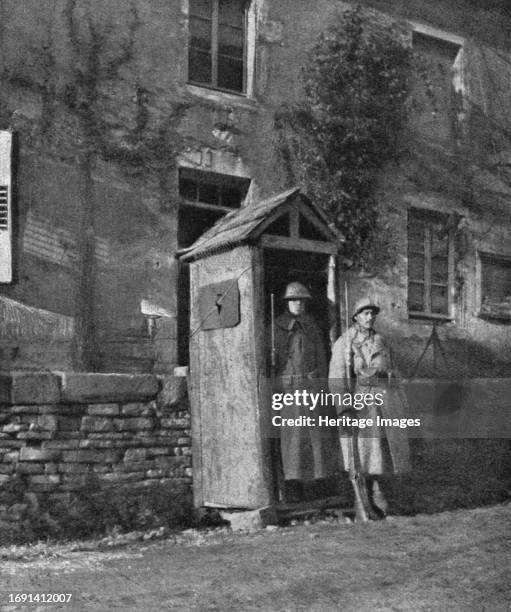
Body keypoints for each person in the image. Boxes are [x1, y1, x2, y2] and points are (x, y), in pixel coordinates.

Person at [328, 297, 410, 518]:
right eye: (365, 313)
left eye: (372, 313)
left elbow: (394, 370)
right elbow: (336, 380)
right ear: (356, 317)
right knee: (362, 455)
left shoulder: (381, 341)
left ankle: (380, 494)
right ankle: (364, 500)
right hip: (360, 405)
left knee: (382, 453)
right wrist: (344, 409)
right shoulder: (344, 343)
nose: (370, 317)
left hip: (383, 403)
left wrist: (394, 385)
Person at [272, 281, 338, 502]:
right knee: (293, 442)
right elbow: (271, 363)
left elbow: (321, 358)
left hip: (312, 391)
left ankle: (316, 487)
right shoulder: (276, 328)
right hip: (289, 392)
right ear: (287, 302)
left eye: (301, 300)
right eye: (293, 300)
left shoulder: (312, 327)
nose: (298, 304)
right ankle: (293, 488)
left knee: (317, 441)